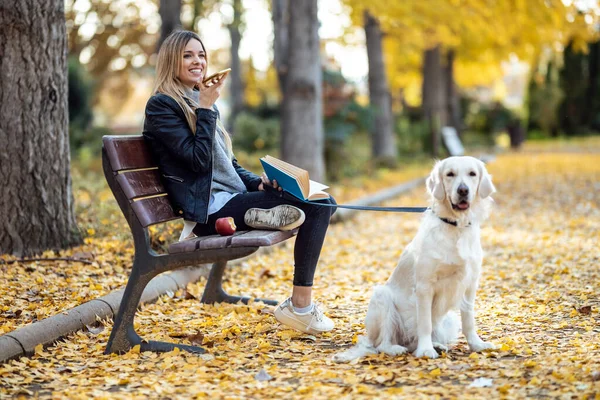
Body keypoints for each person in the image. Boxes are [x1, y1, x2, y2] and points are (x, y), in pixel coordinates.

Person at [143, 30, 337, 335]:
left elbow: (227, 165)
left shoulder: (200, 101)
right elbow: (198, 161)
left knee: (325, 201)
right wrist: (205, 108)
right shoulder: (162, 106)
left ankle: (256, 214)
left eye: (201, 55)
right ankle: (300, 307)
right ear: (171, 61)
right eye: (188, 55)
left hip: (230, 199)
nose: (198, 61)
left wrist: (257, 185)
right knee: (317, 206)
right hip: (208, 213)